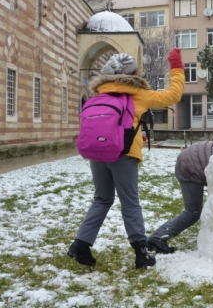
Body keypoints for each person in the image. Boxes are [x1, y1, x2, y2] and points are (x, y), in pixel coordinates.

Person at [68, 50, 184, 269]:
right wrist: (177, 67)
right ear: (133, 73)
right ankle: (141, 253)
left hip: (97, 151)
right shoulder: (138, 93)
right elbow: (173, 95)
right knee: (130, 201)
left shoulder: (99, 94)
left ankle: (80, 244)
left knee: (102, 199)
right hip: (124, 153)